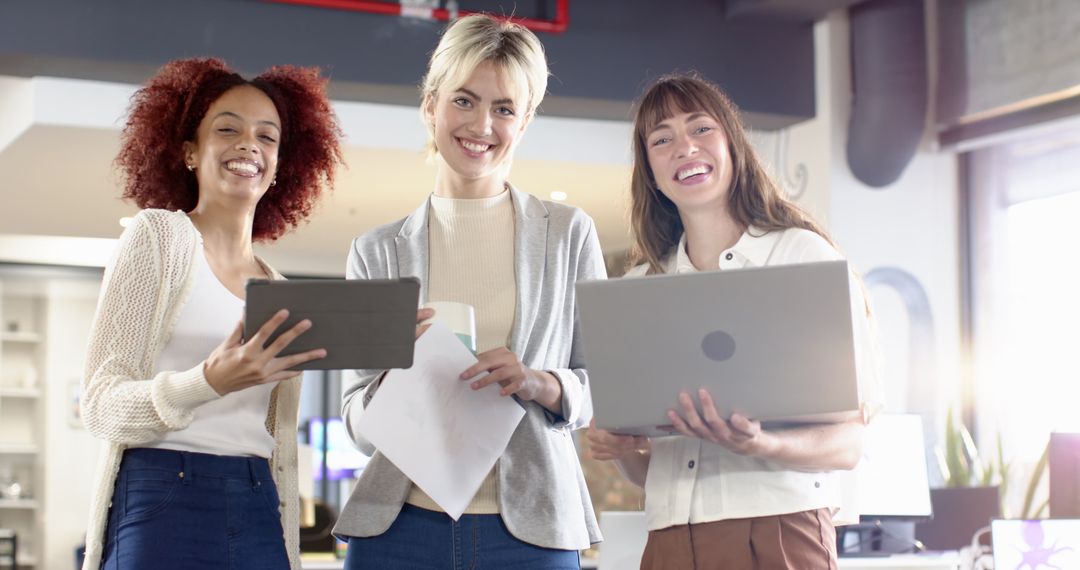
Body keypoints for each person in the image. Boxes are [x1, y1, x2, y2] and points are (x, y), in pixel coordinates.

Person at [334, 14, 605, 569]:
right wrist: (393, 378)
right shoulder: (376, 251)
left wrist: (537, 381)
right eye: (463, 100)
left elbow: (601, 386)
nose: (481, 124)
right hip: (398, 529)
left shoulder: (567, 233)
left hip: (532, 530)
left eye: (504, 108)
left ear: (524, 120)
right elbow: (357, 423)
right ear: (430, 105)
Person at [586, 72, 883, 569]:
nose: (684, 147)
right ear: (651, 172)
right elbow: (646, 472)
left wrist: (760, 443)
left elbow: (850, 442)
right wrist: (621, 447)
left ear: (732, 144)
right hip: (669, 540)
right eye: (662, 139)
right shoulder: (641, 286)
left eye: (700, 128)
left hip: (779, 531)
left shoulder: (799, 255)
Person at [80, 57, 343, 570]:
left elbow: (276, 439)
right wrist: (207, 381)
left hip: (257, 497)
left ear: (281, 166)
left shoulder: (278, 289)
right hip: (161, 492)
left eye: (268, 137)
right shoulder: (157, 238)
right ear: (188, 152)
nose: (250, 144)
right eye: (228, 129)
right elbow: (101, 406)